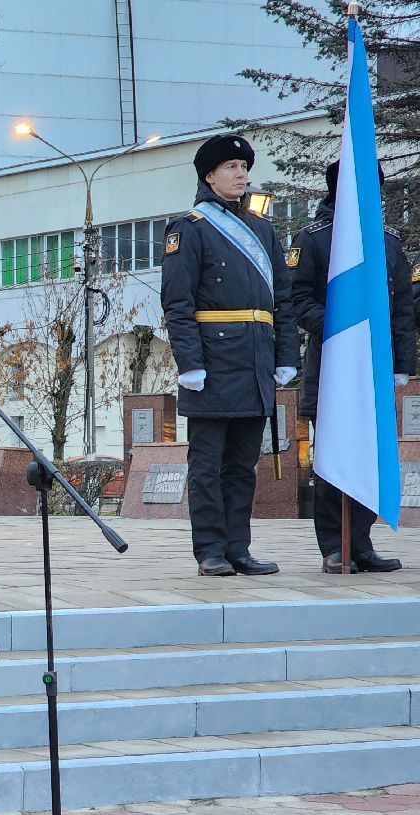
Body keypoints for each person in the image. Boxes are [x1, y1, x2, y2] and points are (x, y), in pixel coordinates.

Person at [161, 133, 298, 576]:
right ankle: (210, 551)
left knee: (243, 466)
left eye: (244, 169)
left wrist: (285, 354)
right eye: (231, 168)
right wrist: (190, 364)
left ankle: (239, 547)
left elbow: (284, 301)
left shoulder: (262, 229)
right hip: (213, 361)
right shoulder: (190, 227)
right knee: (207, 466)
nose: (241, 175)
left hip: (256, 359)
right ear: (209, 175)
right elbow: (177, 304)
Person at [292, 161, 415, 573]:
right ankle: (334, 545)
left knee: (368, 454)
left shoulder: (388, 243)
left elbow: (401, 309)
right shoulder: (314, 240)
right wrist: (341, 330)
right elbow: (297, 299)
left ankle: (360, 542)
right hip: (331, 366)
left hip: (374, 369)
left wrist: (402, 363)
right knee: (332, 457)